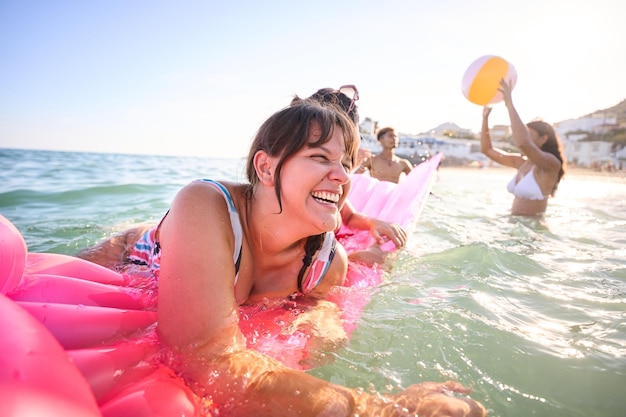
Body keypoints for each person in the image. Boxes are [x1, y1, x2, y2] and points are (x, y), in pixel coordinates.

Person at [80, 100, 487, 416]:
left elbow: (322, 317)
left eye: (345, 162)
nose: (344, 176)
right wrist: (379, 408)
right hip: (135, 256)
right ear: (266, 166)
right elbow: (199, 357)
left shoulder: (329, 264)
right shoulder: (204, 205)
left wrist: (318, 323)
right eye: (321, 158)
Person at [480, 79, 566, 216]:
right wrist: (485, 118)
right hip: (514, 226)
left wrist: (509, 104)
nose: (521, 136)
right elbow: (487, 150)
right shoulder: (522, 163)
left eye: (528, 133)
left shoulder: (550, 164)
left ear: (543, 139)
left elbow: (523, 143)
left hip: (532, 231)